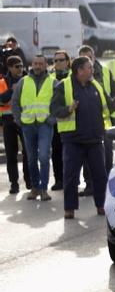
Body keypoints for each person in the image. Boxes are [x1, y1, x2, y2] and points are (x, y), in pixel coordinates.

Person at [50, 56, 115, 219]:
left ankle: (101, 205)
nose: (92, 70)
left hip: (95, 139)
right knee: (71, 176)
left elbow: (109, 106)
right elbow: (54, 109)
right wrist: (68, 109)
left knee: (100, 174)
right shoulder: (63, 86)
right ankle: (69, 208)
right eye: (89, 67)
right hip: (73, 140)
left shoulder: (96, 86)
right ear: (79, 71)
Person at [11, 54, 56, 200]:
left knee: (43, 157)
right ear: (32, 65)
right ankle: (35, 188)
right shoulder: (23, 82)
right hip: (28, 125)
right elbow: (15, 102)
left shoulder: (53, 82)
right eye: (35, 63)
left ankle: (44, 189)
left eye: (40, 64)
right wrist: (19, 120)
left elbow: (59, 102)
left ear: (46, 65)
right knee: (31, 158)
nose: (37, 66)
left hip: (45, 125)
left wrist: (52, 119)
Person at [0, 56, 30, 194]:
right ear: (10, 68)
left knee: (28, 152)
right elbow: (2, 100)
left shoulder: (28, 80)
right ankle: (14, 183)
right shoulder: (2, 82)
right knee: (11, 153)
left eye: (21, 65)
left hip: (25, 120)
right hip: (8, 121)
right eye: (17, 66)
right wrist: (12, 90)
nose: (20, 68)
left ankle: (29, 181)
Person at [48, 50, 70, 190]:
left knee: (71, 153)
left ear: (67, 61)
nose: (58, 63)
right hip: (56, 121)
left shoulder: (74, 76)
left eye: (61, 60)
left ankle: (71, 179)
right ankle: (59, 180)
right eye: (55, 60)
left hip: (72, 120)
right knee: (56, 151)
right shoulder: (49, 78)